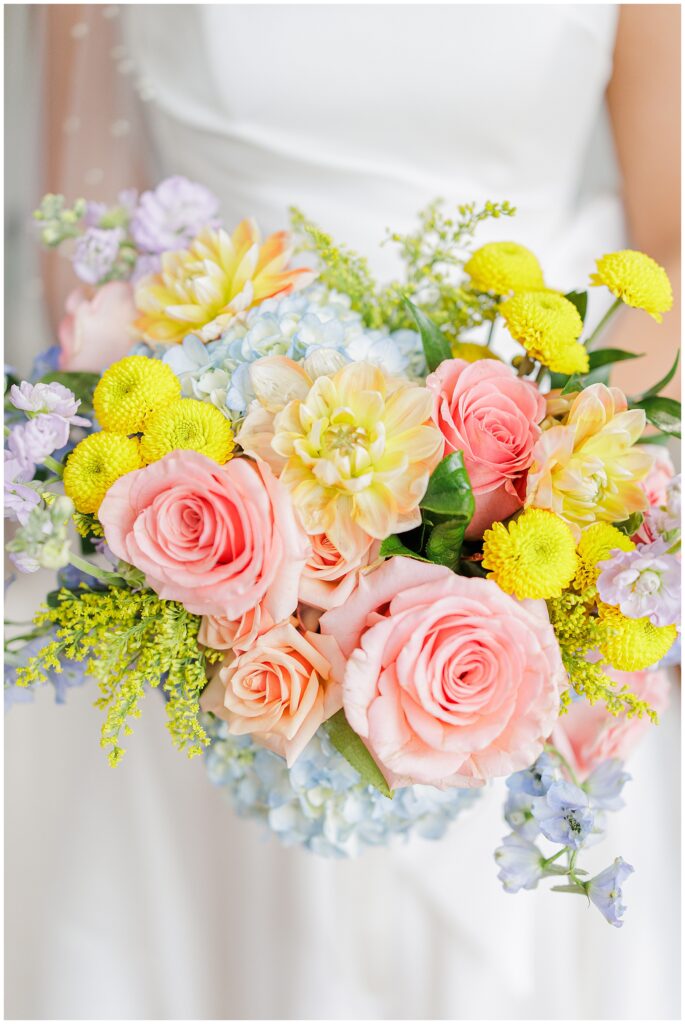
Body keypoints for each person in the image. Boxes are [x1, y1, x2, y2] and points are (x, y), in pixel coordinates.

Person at [4, 5, 680, 1019]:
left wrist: (549, 504)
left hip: (545, 523)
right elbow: (86, 218)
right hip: (206, 544)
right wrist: (231, 535)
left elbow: (668, 238)